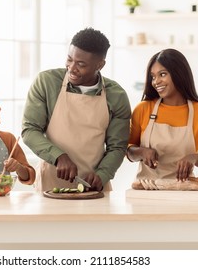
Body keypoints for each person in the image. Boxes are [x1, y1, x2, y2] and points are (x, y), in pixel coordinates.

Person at [22, 27, 131, 192]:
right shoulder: (47, 82)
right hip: (50, 182)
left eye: (81, 64)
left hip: (93, 187)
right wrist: (59, 157)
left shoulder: (116, 95)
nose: (72, 68)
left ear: (100, 65)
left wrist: (102, 174)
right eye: (69, 59)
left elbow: (117, 147)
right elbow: (30, 130)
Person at [127, 48, 198, 182]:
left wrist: (194, 158)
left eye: (163, 74)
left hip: (183, 191)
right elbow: (128, 149)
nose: (156, 81)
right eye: (153, 77)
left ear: (179, 74)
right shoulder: (143, 109)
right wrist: (142, 152)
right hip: (146, 190)